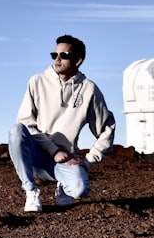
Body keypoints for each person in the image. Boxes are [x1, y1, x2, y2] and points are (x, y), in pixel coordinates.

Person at [9, 35, 116, 212]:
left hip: (65, 159)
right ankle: (31, 191)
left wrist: (88, 162)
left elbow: (106, 129)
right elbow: (26, 123)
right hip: (36, 155)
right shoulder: (37, 81)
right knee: (16, 130)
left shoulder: (89, 89)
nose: (57, 59)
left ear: (78, 60)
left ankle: (63, 186)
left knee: (80, 190)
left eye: (64, 55)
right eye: (54, 54)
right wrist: (54, 149)